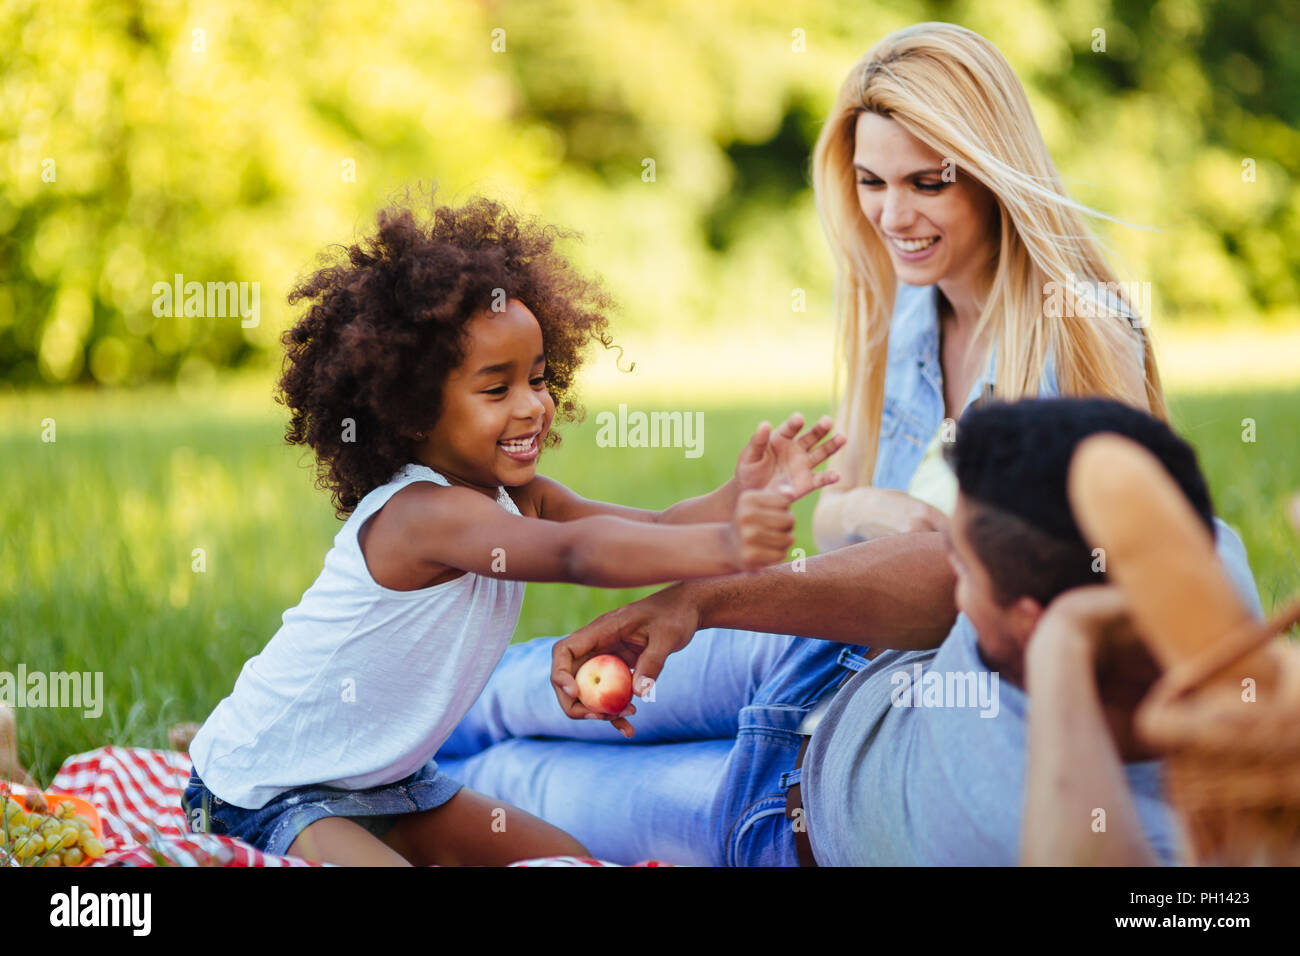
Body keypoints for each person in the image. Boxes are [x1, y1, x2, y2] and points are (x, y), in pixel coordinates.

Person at [434, 21, 1182, 859]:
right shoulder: (903, 306)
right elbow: (832, 522)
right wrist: (873, 509)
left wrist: (929, 543)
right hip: (820, 635)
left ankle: (377, 803)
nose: (895, 215)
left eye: (929, 183)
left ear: (992, 168)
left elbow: (1088, 578)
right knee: (519, 695)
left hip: (888, 719)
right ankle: (317, 758)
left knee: (525, 783)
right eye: (871, 181)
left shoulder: (1082, 336)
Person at [181, 194, 842, 866]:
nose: (532, 407)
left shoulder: (520, 497)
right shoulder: (421, 515)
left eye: (538, 378)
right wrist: (726, 548)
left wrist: (738, 497)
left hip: (389, 783)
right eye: (496, 391)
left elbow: (651, 525)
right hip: (267, 790)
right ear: (412, 409)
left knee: (572, 861)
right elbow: (578, 553)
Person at [439, 399, 1263, 865]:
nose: (951, 573)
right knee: (491, 695)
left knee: (507, 788)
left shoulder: (1168, 846)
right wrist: (700, 603)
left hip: (764, 818)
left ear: (1036, 623)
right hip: (820, 658)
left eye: (968, 572)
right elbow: (936, 573)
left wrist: (1061, 664)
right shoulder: (1181, 550)